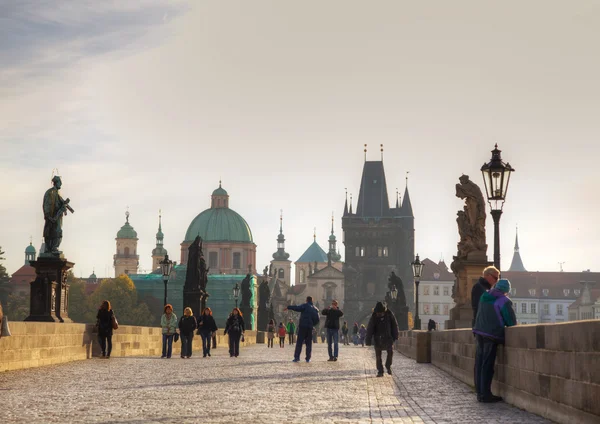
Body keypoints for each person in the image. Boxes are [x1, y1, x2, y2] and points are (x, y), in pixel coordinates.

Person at [473, 278, 516, 403]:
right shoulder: (504, 301)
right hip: (491, 335)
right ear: (506, 291)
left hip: (479, 332)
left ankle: (480, 393)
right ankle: (486, 395)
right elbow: (511, 322)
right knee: (487, 365)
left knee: (480, 363)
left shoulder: (484, 296)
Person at [365, 302, 399, 377]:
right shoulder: (374, 316)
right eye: (378, 313)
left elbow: (394, 325)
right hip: (378, 338)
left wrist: (395, 335)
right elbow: (370, 328)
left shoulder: (389, 314)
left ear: (384, 311)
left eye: (380, 313)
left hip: (388, 337)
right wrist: (368, 340)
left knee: (390, 353)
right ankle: (380, 371)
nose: (379, 314)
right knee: (378, 356)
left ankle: (388, 365)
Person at [285, 296, 320, 363]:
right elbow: (317, 319)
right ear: (312, 301)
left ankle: (297, 357)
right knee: (309, 343)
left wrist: (289, 307)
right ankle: (308, 358)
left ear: (306, 300)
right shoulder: (315, 309)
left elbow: (297, 308)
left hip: (302, 326)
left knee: (299, 343)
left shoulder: (305, 306)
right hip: (309, 327)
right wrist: (312, 324)